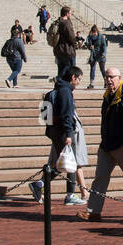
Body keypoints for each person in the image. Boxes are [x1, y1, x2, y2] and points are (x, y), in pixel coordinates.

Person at [78, 66, 123, 221]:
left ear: (119, 78)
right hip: (107, 144)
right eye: (106, 77)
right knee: (100, 177)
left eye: (111, 77)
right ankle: (93, 211)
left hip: (122, 144)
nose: (108, 80)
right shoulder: (108, 94)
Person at [41, 65, 88, 206]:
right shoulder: (66, 91)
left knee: (63, 163)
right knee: (71, 163)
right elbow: (67, 115)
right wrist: (68, 134)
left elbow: (44, 115)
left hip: (53, 130)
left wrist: (51, 129)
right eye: (79, 79)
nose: (79, 82)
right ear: (73, 77)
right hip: (64, 132)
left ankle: (40, 184)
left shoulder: (52, 91)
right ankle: (70, 195)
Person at [51, 5, 77, 78]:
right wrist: (75, 44)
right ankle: (60, 82)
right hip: (67, 50)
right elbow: (71, 36)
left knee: (61, 68)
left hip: (58, 50)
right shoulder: (66, 23)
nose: (71, 15)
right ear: (67, 13)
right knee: (68, 69)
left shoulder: (57, 22)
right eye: (70, 13)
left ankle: (59, 84)